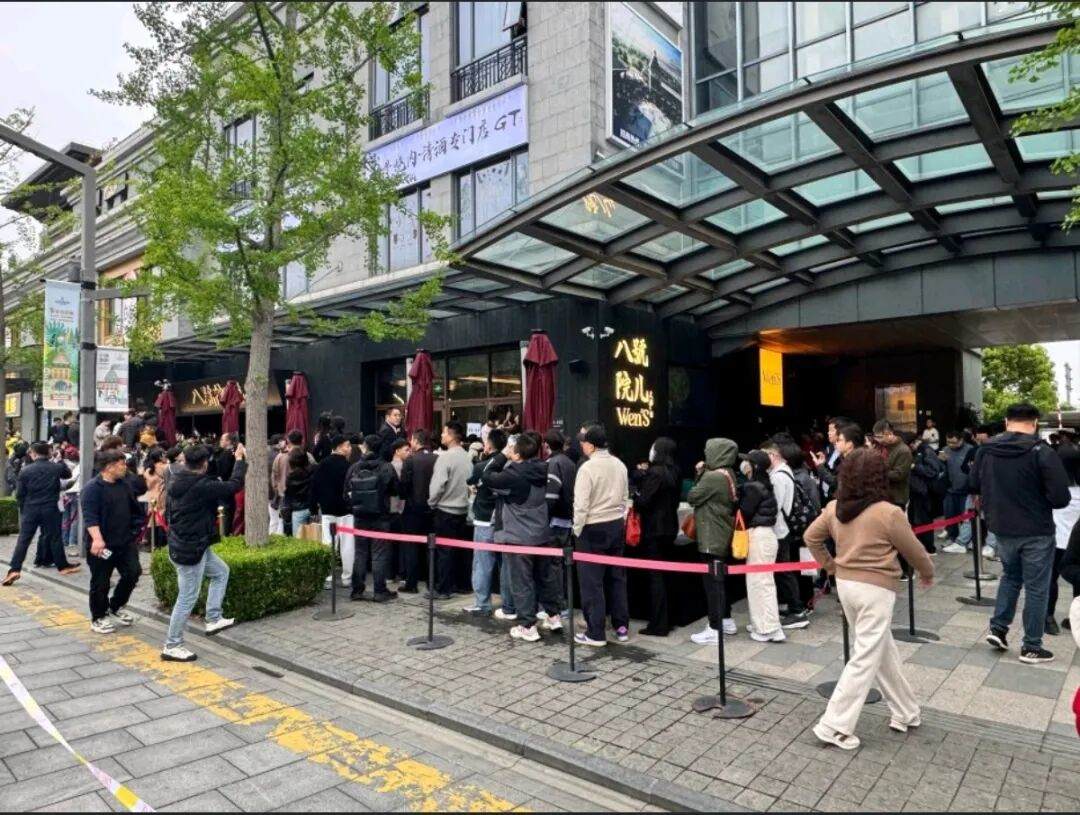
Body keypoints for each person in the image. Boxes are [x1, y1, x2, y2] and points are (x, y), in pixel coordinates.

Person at [804, 447, 934, 751]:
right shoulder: (889, 512)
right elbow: (914, 550)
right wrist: (927, 572)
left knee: (879, 650)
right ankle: (834, 726)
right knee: (865, 656)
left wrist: (831, 566)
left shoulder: (834, 507)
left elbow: (811, 537)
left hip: (846, 585)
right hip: (876, 589)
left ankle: (906, 711)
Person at [973, 403, 1071, 664]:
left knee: (1010, 577)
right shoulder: (1042, 451)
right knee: (1037, 587)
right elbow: (1060, 498)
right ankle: (1031, 646)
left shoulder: (987, 449)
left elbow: (973, 483)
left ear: (1007, 422)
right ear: (1035, 423)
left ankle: (998, 629)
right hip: (1036, 529)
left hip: (1002, 527)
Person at [161, 443, 246, 661]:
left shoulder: (178, 479)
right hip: (190, 549)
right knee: (187, 597)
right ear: (204, 464)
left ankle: (213, 618)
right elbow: (234, 485)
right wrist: (239, 460)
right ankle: (172, 645)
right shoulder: (201, 486)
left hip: (191, 544)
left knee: (221, 572)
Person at [482, 431, 554, 642]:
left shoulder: (514, 475)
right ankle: (553, 615)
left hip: (519, 536)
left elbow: (487, 476)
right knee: (544, 578)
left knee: (522, 582)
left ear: (517, 452)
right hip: (540, 533)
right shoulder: (543, 468)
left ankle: (528, 626)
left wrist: (502, 456)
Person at [572, 424, 630, 647]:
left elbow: (581, 505)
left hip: (592, 527)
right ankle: (621, 626)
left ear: (591, 445)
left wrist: (577, 530)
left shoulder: (587, 468)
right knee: (617, 578)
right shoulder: (619, 464)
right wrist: (620, 518)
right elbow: (625, 498)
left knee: (592, 582)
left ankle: (596, 632)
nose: (581, 444)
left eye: (584, 441)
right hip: (616, 525)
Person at [81, 450, 144, 634]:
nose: (125, 467)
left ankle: (115, 606)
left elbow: (135, 509)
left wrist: (134, 530)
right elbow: (90, 517)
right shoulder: (92, 488)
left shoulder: (124, 485)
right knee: (101, 582)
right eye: (121, 464)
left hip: (125, 542)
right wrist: (97, 539)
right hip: (102, 545)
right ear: (109, 467)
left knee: (133, 573)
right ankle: (98, 617)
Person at [3, 442, 80, 585]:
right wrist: (59, 460)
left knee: (23, 540)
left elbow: (20, 494)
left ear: (34, 454)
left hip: (30, 509)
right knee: (55, 537)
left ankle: (14, 569)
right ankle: (63, 566)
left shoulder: (26, 470)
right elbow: (68, 474)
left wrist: (24, 509)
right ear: (48, 453)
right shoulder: (55, 467)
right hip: (50, 508)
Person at [687, 438, 739, 644]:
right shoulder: (728, 473)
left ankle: (714, 628)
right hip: (722, 532)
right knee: (720, 581)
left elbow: (693, 496)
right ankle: (725, 619)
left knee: (712, 585)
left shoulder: (712, 477)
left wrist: (700, 473)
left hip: (712, 535)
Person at [631, 437, 681, 637]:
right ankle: (669, 619)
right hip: (670, 528)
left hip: (654, 529)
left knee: (656, 577)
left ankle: (658, 624)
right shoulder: (675, 471)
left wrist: (636, 494)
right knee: (667, 575)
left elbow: (644, 502)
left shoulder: (655, 473)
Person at [345, 434, 399, 602]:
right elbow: (396, 490)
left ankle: (357, 590)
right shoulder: (387, 467)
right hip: (381, 516)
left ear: (366, 447)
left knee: (360, 553)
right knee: (379, 553)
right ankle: (379, 591)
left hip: (360, 516)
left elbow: (346, 492)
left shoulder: (354, 468)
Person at [739, 450, 785, 642]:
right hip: (767, 536)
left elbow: (744, 511)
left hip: (759, 536)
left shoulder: (753, 487)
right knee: (762, 582)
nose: (744, 465)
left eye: (748, 462)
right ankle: (761, 623)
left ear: (754, 466)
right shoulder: (765, 483)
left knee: (760, 583)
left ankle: (769, 628)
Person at [762, 440, 809, 629]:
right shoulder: (784, 471)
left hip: (780, 530)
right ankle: (794, 608)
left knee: (784, 572)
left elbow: (776, 505)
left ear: (772, 455)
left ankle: (797, 611)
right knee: (783, 571)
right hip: (783, 529)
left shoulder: (778, 477)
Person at [463, 428, 508, 615]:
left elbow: (471, 480)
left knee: (482, 564)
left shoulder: (483, 466)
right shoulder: (510, 466)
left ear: (489, 444)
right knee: (505, 565)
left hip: (484, 519)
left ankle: (482, 603)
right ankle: (509, 605)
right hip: (505, 521)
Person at [428, 421, 472, 599]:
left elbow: (437, 486)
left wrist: (431, 502)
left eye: (444, 432)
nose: (441, 435)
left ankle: (443, 589)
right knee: (460, 551)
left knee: (444, 552)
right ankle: (461, 585)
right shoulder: (467, 457)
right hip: (463, 510)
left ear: (452, 436)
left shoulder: (445, 458)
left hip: (445, 510)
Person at [540, 428, 575, 629]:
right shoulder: (569, 463)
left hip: (555, 522)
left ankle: (557, 608)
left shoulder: (553, 463)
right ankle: (564, 606)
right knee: (562, 565)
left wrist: (543, 517)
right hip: (568, 520)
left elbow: (551, 496)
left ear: (546, 445)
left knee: (553, 567)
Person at [309, 434, 354, 588]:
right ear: (340, 447)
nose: (350, 449)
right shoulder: (349, 466)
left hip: (327, 510)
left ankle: (328, 576)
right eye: (348, 445)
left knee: (328, 543)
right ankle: (347, 577)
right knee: (347, 544)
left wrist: (313, 507)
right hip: (346, 510)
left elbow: (314, 487)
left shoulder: (322, 464)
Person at [399, 429, 436, 593]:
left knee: (411, 547)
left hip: (412, 509)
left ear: (415, 440)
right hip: (432, 509)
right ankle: (431, 582)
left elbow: (403, 486)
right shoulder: (436, 459)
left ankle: (411, 583)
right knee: (431, 547)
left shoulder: (410, 460)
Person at [1049, 457, 1080, 635]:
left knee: (1051, 579)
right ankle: (1075, 617)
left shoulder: (1056, 490)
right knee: (1078, 580)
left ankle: (1048, 617)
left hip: (1058, 541)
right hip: (1075, 543)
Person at [906, 431, 942, 555]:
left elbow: (933, 471)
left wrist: (914, 467)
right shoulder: (914, 452)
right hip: (914, 492)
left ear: (914, 442)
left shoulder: (926, 451)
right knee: (914, 520)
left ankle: (929, 548)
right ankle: (919, 548)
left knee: (924, 521)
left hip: (925, 493)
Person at [940, 430, 976, 554]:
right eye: (948, 442)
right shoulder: (945, 450)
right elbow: (941, 469)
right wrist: (941, 461)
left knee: (967, 518)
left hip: (966, 491)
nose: (951, 445)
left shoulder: (970, 450)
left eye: (954, 442)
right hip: (950, 489)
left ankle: (971, 540)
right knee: (950, 515)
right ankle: (952, 538)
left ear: (961, 440)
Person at [872, 420, 912, 510]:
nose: (877, 440)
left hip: (896, 498)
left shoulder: (903, 451)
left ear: (889, 434)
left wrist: (878, 472)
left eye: (879, 437)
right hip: (881, 495)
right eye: (875, 437)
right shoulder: (881, 447)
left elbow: (898, 475)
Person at [281, 448, 313, 536]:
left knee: (298, 537)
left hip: (298, 510)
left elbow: (288, 496)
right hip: (312, 508)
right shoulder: (313, 471)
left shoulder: (291, 477)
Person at [60, 447, 82, 553]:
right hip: (75, 493)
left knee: (65, 518)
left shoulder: (62, 465)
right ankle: (72, 542)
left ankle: (64, 541)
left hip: (64, 494)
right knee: (75, 519)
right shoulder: (80, 466)